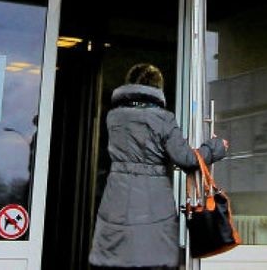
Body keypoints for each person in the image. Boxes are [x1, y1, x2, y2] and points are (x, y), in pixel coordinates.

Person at [89, 63, 228, 270]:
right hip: (153, 202)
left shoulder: (113, 117)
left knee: (117, 258)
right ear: (157, 88)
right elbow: (187, 159)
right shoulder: (163, 119)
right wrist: (215, 147)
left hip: (116, 196)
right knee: (151, 258)